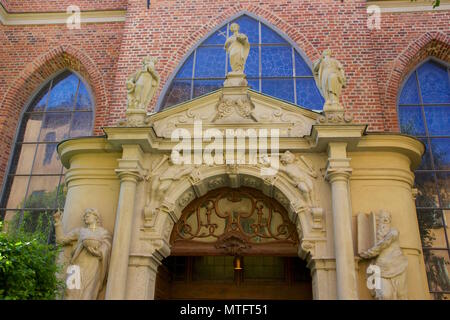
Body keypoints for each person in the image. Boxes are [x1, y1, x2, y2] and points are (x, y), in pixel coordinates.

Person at [54, 208, 112, 300]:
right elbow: (61, 240)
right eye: (84, 215)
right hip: (76, 265)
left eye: (88, 215)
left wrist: (99, 252)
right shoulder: (80, 231)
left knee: (88, 294)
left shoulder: (103, 232)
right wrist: (58, 222)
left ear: (96, 217)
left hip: (93, 266)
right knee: (69, 292)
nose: (85, 217)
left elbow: (107, 246)